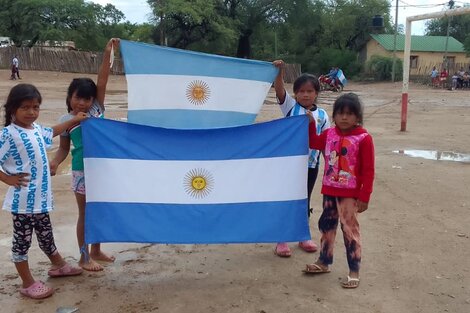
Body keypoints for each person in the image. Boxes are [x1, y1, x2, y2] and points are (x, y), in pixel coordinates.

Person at [0, 84, 87, 299]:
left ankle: (58, 265)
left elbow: (54, 132)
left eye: (36, 107)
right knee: (22, 243)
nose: (31, 112)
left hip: (40, 201)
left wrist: (75, 120)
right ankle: (27, 283)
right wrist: (8, 178)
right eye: (25, 107)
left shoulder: (37, 129)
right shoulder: (8, 134)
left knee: (46, 236)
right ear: (13, 109)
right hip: (22, 204)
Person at [50, 38, 119, 271]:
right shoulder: (64, 122)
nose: (82, 102)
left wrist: (107, 52)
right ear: (70, 97)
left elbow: (102, 80)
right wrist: (55, 162)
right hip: (81, 171)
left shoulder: (97, 110)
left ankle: (96, 250)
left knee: (99, 209)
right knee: (85, 213)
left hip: (102, 169)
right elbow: (63, 149)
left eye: (87, 98)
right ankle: (83, 257)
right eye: (78, 97)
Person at [303, 93, 375, 289]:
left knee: (350, 230)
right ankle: (324, 262)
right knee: (327, 226)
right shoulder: (329, 135)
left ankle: (354, 270)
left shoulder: (364, 139)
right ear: (334, 116)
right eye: (340, 113)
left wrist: (364, 196)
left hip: (350, 195)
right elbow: (313, 143)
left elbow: (368, 170)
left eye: (350, 114)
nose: (344, 118)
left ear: (357, 117)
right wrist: (310, 123)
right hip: (329, 191)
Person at [272, 59, 330, 257]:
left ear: (316, 93)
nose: (305, 95)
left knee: (304, 200)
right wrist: (279, 72)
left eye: (310, 91)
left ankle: (303, 235)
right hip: (288, 165)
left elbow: (326, 142)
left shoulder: (322, 115)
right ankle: (282, 238)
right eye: (301, 91)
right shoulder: (289, 106)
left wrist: (330, 166)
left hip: (311, 165)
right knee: (287, 199)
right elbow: (279, 91)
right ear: (295, 93)